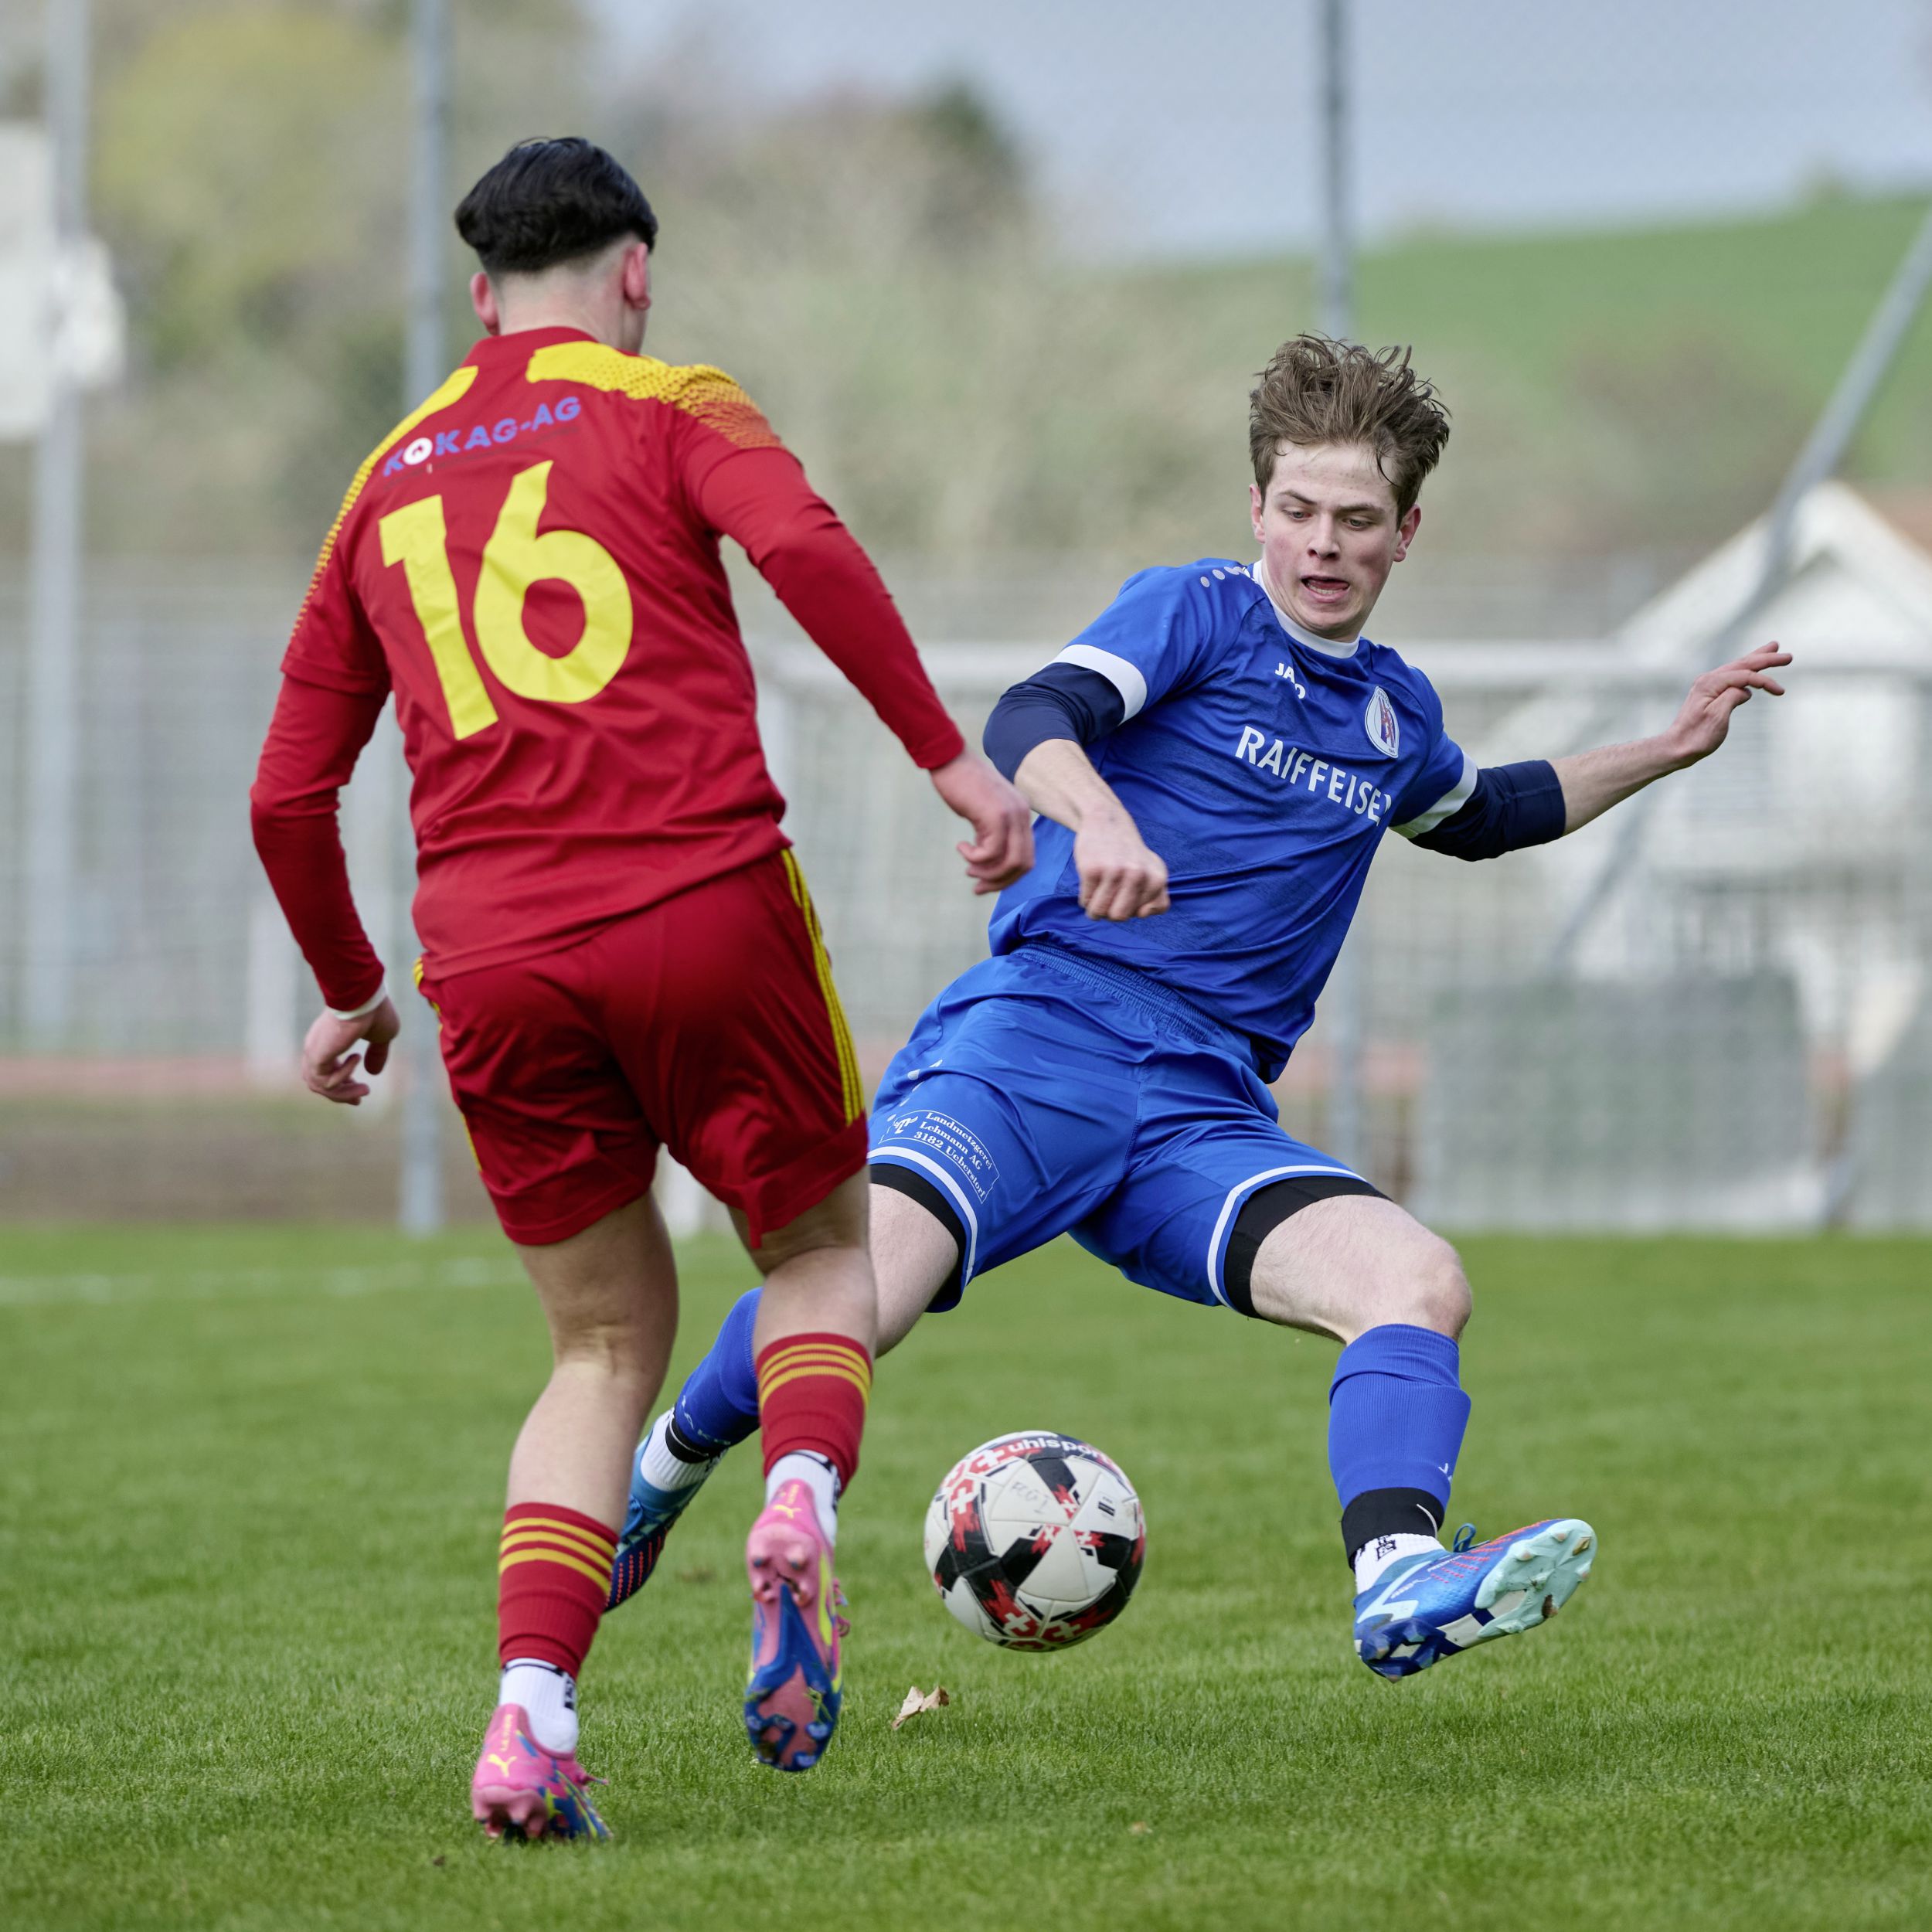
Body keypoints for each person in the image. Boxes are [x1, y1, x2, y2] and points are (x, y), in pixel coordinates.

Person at [607, 333, 1790, 1680]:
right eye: (1297, 511)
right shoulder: (1197, 612)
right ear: (1257, 510)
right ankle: (664, 1468)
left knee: (1418, 1280)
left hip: (1202, 1114)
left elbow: (1492, 815)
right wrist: (1098, 819)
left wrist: (1672, 744)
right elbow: (1031, 717)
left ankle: (1399, 1581)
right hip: (1042, 1039)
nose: (1322, 545)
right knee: (854, 1298)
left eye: (1356, 520)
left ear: (1408, 531)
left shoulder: (1394, 715)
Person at [249, 138, 1031, 1835]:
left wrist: (351, 982)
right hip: (700, 903)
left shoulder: (383, 475)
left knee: (600, 1343)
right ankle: (800, 1502)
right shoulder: (673, 399)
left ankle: (529, 1716)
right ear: (636, 270)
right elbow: (808, 551)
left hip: (493, 959)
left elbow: (284, 794)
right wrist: (954, 766)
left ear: (477, 296)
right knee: (821, 1248)